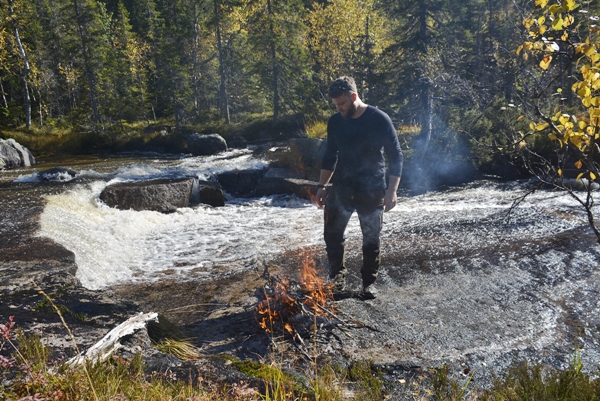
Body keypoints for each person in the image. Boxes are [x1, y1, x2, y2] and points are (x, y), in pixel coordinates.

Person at [315, 76, 403, 300]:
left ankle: (368, 284)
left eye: (342, 103)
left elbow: (396, 155)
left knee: (371, 238)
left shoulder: (378, 119)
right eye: (335, 105)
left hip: (372, 188)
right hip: (342, 187)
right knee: (332, 235)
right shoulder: (335, 121)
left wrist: (392, 191)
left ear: (354, 96)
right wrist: (322, 186)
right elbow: (330, 155)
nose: (339, 108)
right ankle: (338, 280)